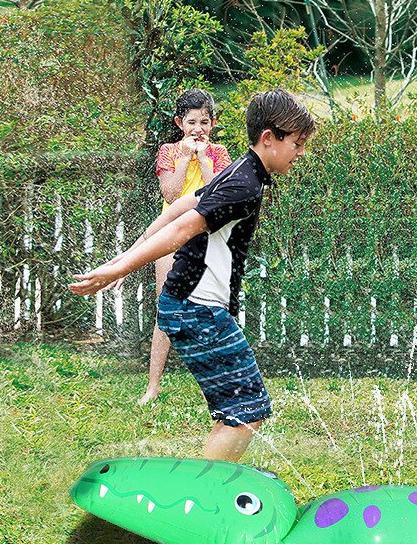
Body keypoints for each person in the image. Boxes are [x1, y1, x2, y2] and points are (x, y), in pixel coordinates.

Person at [69, 89, 315, 463]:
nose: (300, 153)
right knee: (247, 408)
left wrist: (124, 255)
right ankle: (206, 498)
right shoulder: (244, 184)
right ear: (269, 138)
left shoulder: (243, 171)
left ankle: (207, 488)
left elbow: (180, 205)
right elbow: (183, 227)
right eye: (296, 144)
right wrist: (119, 267)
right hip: (196, 308)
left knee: (240, 409)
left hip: (191, 306)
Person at [141, 88, 232, 405]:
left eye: (204, 122)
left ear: (213, 123)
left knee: (212, 307)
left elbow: (216, 195)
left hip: (206, 235)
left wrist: (204, 159)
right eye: (191, 122)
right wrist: (184, 158)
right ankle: (153, 386)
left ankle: (219, 383)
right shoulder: (168, 151)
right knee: (165, 309)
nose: (198, 129)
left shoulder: (219, 153)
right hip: (170, 235)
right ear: (180, 123)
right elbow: (171, 194)